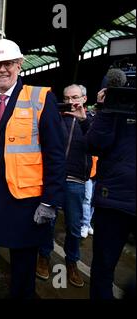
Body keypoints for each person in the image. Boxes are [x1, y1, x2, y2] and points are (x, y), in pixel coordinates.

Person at [0, 39, 65, 299]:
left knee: (23, 263)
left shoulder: (40, 98)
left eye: (8, 63)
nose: (2, 69)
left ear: (19, 65)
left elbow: (55, 154)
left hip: (24, 199)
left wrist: (50, 201)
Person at [36, 84, 93, 288]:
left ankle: (71, 263)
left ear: (84, 99)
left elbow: (96, 143)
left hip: (76, 180)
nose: (70, 102)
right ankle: (43, 257)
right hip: (54, 177)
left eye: (75, 97)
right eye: (66, 98)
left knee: (74, 226)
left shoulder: (91, 120)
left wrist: (84, 120)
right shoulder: (56, 117)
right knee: (47, 221)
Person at [87, 69, 136, 299]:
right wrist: (105, 110)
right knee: (103, 268)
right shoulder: (117, 94)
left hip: (115, 196)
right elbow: (95, 145)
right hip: (113, 200)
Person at [81, 156, 97, 238]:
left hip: (99, 174)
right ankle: (85, 224)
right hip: (89, 173)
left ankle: (88, 223)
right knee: (87, 199)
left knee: (94, 201)